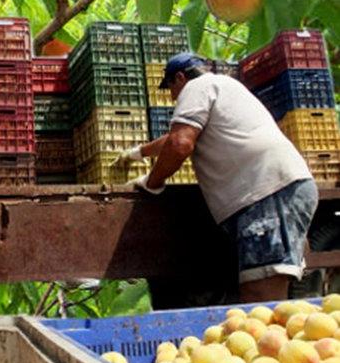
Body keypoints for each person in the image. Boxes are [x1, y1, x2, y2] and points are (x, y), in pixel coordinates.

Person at [115, 52, 318, 302]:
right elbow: (176, 138)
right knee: (266, 294)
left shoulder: (196, 88)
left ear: (179, 78)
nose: (172, 97)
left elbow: (180, 143)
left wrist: (152, 183)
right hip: (279, 188)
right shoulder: (225, 86)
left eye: (171, 89)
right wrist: (139, 153)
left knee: (260, 298)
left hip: (267, 194)